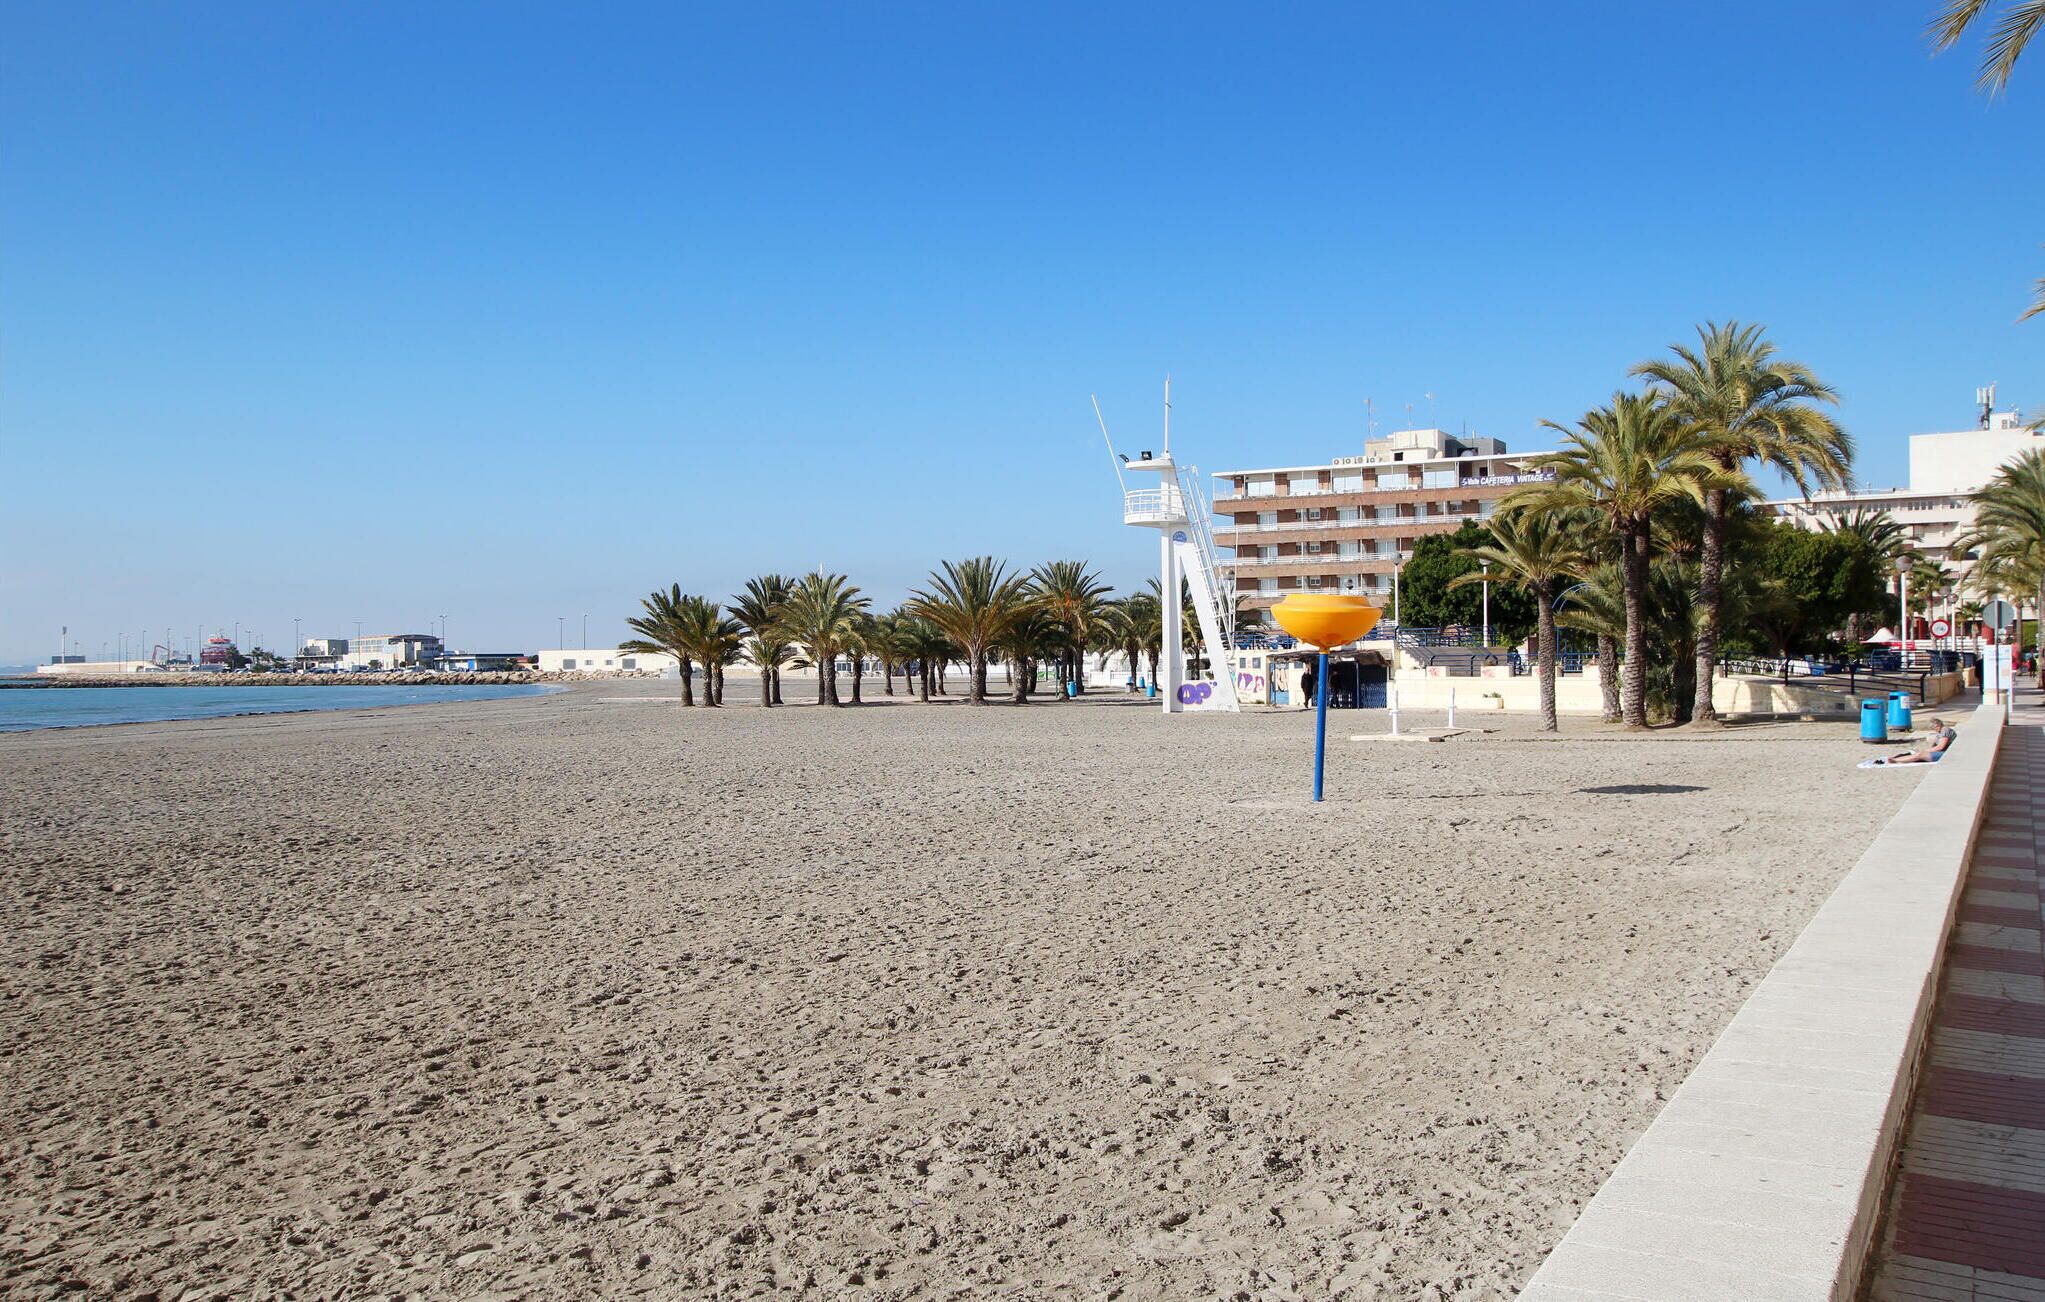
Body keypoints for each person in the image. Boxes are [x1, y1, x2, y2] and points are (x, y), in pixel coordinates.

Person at [1880, 717, 1956, 765]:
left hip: (1946, 755)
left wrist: (1927, 750)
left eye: (1934, 728)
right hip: (1943, 752)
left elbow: (1940, 747)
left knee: (1920, 754)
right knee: (1918, 753)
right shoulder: (1941, 732)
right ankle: (1896, 759)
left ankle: (1895, 761)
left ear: (1937, 726)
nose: (1934, 730)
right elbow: (1936, 745)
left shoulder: (1945, 731)